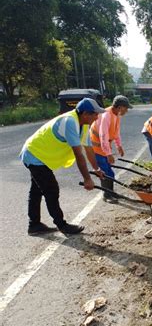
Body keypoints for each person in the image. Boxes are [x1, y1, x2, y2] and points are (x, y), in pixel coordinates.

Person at [20, 98, 105, 235]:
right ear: (85, 114)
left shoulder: (83, 124)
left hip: (41, 157)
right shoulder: (70, 122)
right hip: (35, 155)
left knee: (36, 191)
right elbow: (79, 154)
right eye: (95, 114)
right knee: (51, 190)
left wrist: (96, 169)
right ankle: (61, 225)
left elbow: (88, 149)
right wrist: (87, 179)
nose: (97, 117)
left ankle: (34, 225)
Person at [90, 95, 132, 203]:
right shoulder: (106, 116)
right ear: (120, 107)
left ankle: (111, 193)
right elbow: (103, 136)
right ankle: (107, 196)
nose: (126, 111)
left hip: (103, 148)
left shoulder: (116, 115)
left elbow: (116, 132)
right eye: (126, 108)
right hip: (97, 149)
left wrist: (119, 146)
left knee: (110, 173)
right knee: (105, 173)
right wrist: (108, 154)